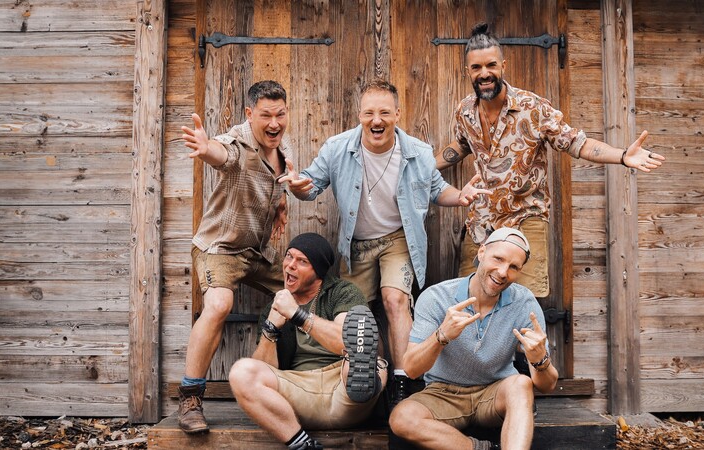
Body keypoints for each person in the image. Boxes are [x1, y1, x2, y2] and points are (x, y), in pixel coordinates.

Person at [280, 79, 490, 405]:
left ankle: (403, 381)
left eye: (384, 113)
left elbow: (438, 190)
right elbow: (310, 185)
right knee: (355, 313)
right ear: (359, 115)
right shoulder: (337, 148)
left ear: (397, 114)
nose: (376, 120)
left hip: (398, 239)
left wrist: (460, 195)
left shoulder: (418, 152)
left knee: (395, 300)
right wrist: (296, 186)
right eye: (369, 113)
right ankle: (370, 377)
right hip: (356, 244)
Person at [438, 22, 666, 298]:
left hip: (525, 218)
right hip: (481, 223)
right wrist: (421, 166)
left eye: (491, 65)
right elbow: (460, 146)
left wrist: (622, 156)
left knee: (523, 303)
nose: (484, 73)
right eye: (476, 67)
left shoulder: (532, 107)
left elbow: (577, 143)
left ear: (503, 66)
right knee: (471, 299)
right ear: (468, 71)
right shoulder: (464, 111)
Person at [176, 80, 291, 433]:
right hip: (221, 248)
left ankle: (302, 384)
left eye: (281, 114)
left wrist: (281, 203)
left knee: (303, 292)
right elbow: (222, 155)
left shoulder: (282, 148)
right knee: (220, 304)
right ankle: (190, 397)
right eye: (266, 115)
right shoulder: (238, 142)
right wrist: (205, 147)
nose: (274, 123)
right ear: (249, 114)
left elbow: (275, 182)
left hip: (257, 252)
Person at [389, 227, 558, 450]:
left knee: (521, 383)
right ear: (482, 252)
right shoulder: (437, 297)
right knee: (401, 418)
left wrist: (540, 360)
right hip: (443, 394)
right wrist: (441, 336)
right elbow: (411, 369)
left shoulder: (524, 303)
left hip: (494, 392)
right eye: (498, 259)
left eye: (514, 267)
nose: (503, 272)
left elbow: (547, 385)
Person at [229, 233, 386, 450]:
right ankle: (302, 444)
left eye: (302, 261)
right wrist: (271, 329)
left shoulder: (342, 293)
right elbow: (265, 369)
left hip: (344, 388)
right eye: (289, 256)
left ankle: (368, 387)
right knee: (242, 372)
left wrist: (298, 315)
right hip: (299, 392)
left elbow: (347, 341)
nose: (290, 265)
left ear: (318, 271)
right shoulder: (273, 308)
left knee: (371, 362)